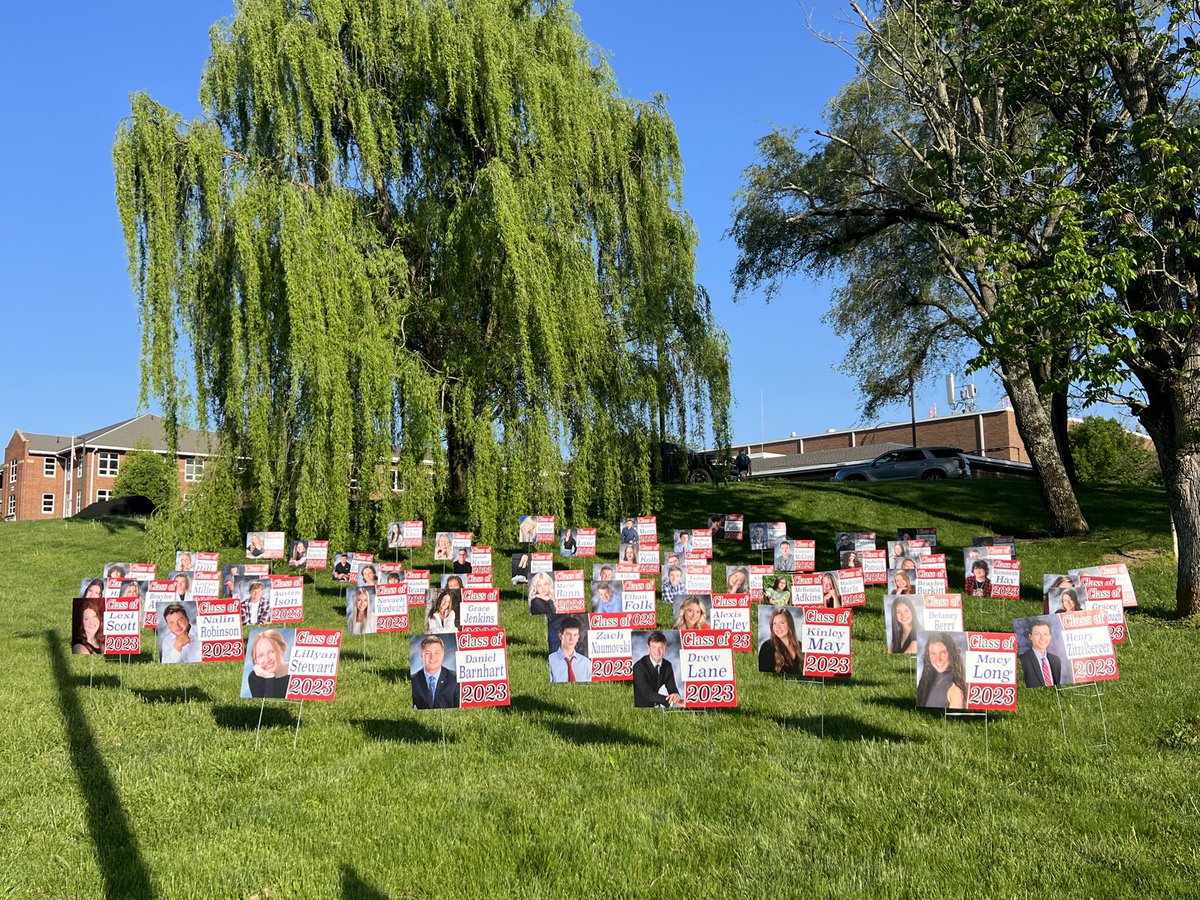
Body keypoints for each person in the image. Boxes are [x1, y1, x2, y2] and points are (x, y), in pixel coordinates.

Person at [916, 634, 966, 708]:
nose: (938, 659)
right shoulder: (927, 679)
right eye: (933, 654)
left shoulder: (956, 690)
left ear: (952, 654)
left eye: (943, 653)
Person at [633, 632, 681, 708]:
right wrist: (671, 702)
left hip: (656, 706)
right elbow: (649, 694)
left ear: (665, 648)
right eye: (654, 647)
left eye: (660, 647)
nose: (657, 651)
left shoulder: (667, 665)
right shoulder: (638, 667)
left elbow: (672, 688)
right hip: (640, 707)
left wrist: (675, 695)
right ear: (648, 648)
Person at [412, 635, 459, 709]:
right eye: (428, 653)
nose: (432, 657)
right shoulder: (413, 680)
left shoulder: (455, 679)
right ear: (422, 655)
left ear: (443, 654)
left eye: (436, 653)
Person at [758, 607, 803, 674]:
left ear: (789, 624)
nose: (778, 627)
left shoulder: (800, 645)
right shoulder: (767, 647)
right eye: (775, 623)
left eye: (782, 623)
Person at [247, 630, 290, 698]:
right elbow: (267, 705)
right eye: (260, 655)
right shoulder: (254, 678)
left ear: (282, 649)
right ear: (255, 660)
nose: (267, 659)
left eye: (271, 652)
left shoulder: (297, 672)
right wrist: (269, 677)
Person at [548, 616, 592, 682]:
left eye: (575, 635)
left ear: (578, 637)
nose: (572, 639)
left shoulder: (586, 663)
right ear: (560, 636)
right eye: (568, 634)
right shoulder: (550, 661)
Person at [1020, 621, 1062, 687]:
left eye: (1045, 634)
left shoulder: (1056, 660)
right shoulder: (1023, 660)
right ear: (1030, 636)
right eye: (1037, 634)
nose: (1042, 638)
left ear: (1050, 636)